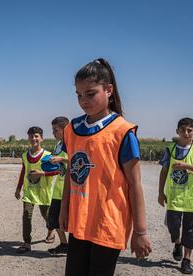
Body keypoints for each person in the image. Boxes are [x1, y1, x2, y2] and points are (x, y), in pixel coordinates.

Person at [59, 58, 152, 276]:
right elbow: (71, 173)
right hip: (79, 222)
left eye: (90, 94)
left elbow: (134, 184)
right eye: (79, 95)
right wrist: (64, 208)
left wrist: (140, 231)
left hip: (107, 223)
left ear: (108, 90)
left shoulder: (123, 131)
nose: (83, 100)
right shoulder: (72, 128)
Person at [158, 117, 193, 274]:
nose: (186, 133)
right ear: (177, 131)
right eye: (183, 130)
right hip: (174, 198)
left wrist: (188, 166)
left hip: (192, 199)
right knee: (173, 226)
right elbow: (164, 171)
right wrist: (161, 192)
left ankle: (186, 260)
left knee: (190, 230)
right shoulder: (170, 149)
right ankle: (177, 242)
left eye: (189, 130)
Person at [14, 126, 56, 253]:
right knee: (26, 216)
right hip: (29, 192)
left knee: (47, 216)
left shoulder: (48, 156)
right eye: (31, 136)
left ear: (41, 138)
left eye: (36, 136)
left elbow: (56, 171)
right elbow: (23, 171)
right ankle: (27, 243)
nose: (33, 138)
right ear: (28, 138)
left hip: (43, 192)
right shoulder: (25, 155)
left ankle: (50, 231)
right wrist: (18, 188)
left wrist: (42, 174)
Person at [46, 116, 70, 256]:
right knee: (53, 220)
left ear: (65, 129)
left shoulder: (73, 143)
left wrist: (62, 159)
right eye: (53, 130)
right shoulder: (58, 145)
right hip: (58, 190)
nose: (53, 133)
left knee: (71, 221)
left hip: (71, 191)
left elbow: (79, 160)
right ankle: (64, 244)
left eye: (56, 130)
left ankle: (76, 249)